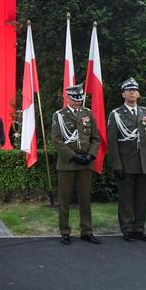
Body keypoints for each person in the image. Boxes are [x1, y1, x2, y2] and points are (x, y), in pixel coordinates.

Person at [107, 77, 146, 242]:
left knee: (141, 199)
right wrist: (116, 165)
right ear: (123, 94)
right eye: (129, 90)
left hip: (144, 163)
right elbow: (112, 142)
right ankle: (127, 229)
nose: (132, 92)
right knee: (126, 198)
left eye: (135, 90)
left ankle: (139, 228)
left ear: (138, 93)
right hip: (126, 163)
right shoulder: (116, 114)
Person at [51, 84, 102, 245]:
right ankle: (65, 231)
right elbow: (56, 140)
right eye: (74, 100)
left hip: (86, 163)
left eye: (79, 100)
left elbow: (95, 138)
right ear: (68, 98)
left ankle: (86, 231)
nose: (77, 103)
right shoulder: (59, 115)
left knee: (85, 200)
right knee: (65, 200)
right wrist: (73, 156)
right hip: (67, 164)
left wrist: (91, 155)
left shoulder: (87, 114)